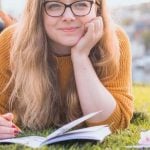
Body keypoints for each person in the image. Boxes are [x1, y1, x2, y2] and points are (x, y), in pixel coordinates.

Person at [0, 0, 133, 139]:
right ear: (37, 13)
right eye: (54, 6)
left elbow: (115, 124)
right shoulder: (11, 42)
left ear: (97, 9)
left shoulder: (115, 40)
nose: (68, 16)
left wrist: (81, 57)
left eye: (81, 4)